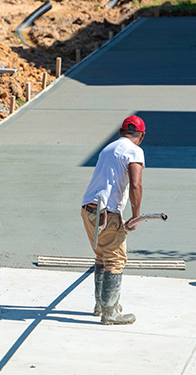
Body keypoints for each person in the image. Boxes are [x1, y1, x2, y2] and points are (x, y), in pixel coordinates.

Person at [81, 115, 146, 325]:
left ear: (120, 132)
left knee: (102, 256)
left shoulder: (108, 148)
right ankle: (110, 313)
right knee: (116, 260)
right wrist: (136, 216)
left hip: (88, 209)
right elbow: (136, 185)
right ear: (141, 136)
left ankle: (100, 305)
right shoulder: (135, 151)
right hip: (108, 213)